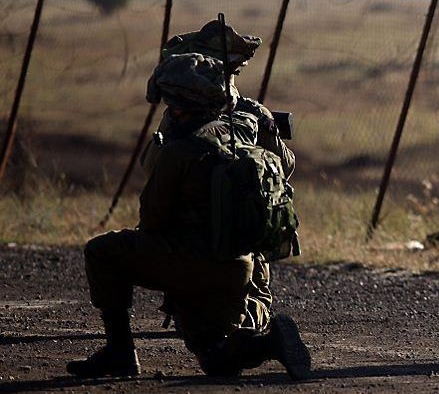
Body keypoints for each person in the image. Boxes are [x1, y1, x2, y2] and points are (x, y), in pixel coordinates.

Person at [67, 53, 310, 380]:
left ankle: (120, 351)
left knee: (102, 251)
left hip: (195, 262)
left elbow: (152, 221)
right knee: (216, 360)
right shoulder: (245, 127)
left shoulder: (180, 150)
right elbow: (284, 165)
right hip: (243, 265)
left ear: (178, 105)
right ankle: (269, 345)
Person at [156, 20, 296, 336]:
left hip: (181, 241)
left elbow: (152, 169)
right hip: (240, 240)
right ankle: (249, 329)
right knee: (252, 299)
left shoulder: (178, 115)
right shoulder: (252, 114)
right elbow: (285, 167)